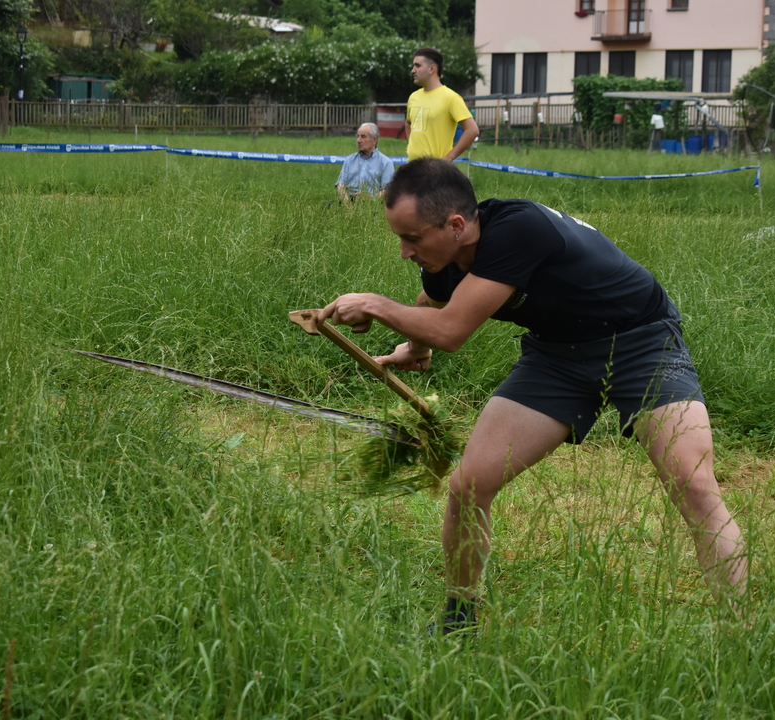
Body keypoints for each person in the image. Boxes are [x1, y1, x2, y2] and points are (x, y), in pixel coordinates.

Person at [318, 158, 748, 634]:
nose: (404, 252)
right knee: (468, 486)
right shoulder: (442, 263)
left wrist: (375, 304)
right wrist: (416, 350)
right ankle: (459, 623)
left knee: (693, 484)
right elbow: (432, 304)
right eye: (400, 238)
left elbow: (451, 330)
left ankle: (739, 633)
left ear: (456, 225)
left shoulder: (518, 230)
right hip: (557, 358)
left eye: (413, 238)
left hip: (642, 342)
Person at [406, 47, 479, 162]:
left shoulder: (451, 98)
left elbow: (472, 130)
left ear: (432, 69)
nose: (413, 70)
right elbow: (408, 123)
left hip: (436, 168)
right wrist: (410, 146)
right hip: (412, 166)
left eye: (417, 66)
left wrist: (449, 157)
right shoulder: (413, 97)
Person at [336, 122, 395, 205]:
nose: (358, 140)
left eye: (363, 137)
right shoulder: (349, 160)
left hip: (372, 204)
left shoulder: (386, 163)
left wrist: (371, 198)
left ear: (374, 140)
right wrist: (348, 205)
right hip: (349, 201)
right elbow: (341, 186)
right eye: (358, 136)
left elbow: (388, 191)